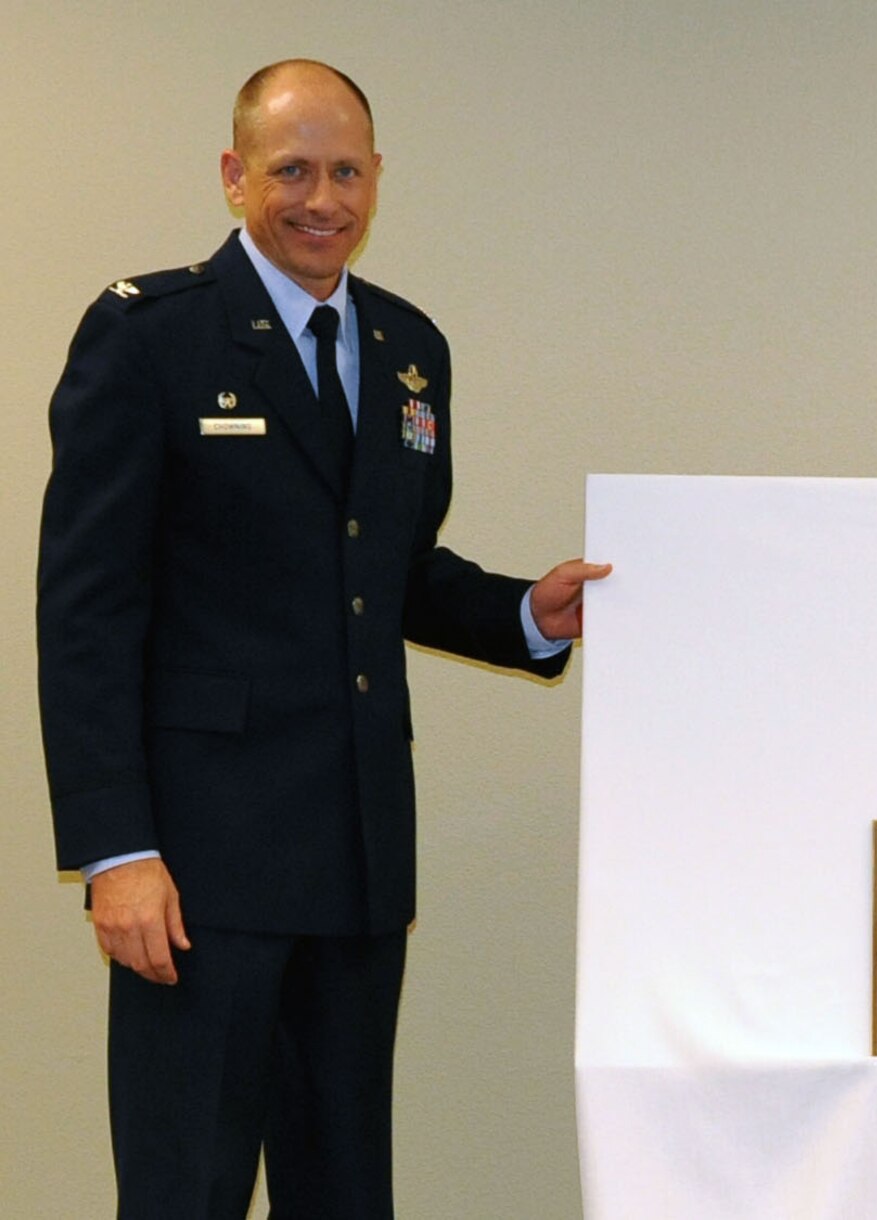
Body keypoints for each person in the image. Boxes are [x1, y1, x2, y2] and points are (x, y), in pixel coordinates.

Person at [36, 59, 610, 1217]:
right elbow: (86, 609)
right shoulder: (150, 336)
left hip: (354, 857)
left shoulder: (406, 347)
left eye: (346, 172)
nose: (322, 199)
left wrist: (521, 613)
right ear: (234, 174)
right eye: (292, 170)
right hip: (196, 869)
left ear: (377, 178)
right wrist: (114, 850)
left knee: (344, 1192)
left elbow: (384, 570)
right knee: (185, 1191)